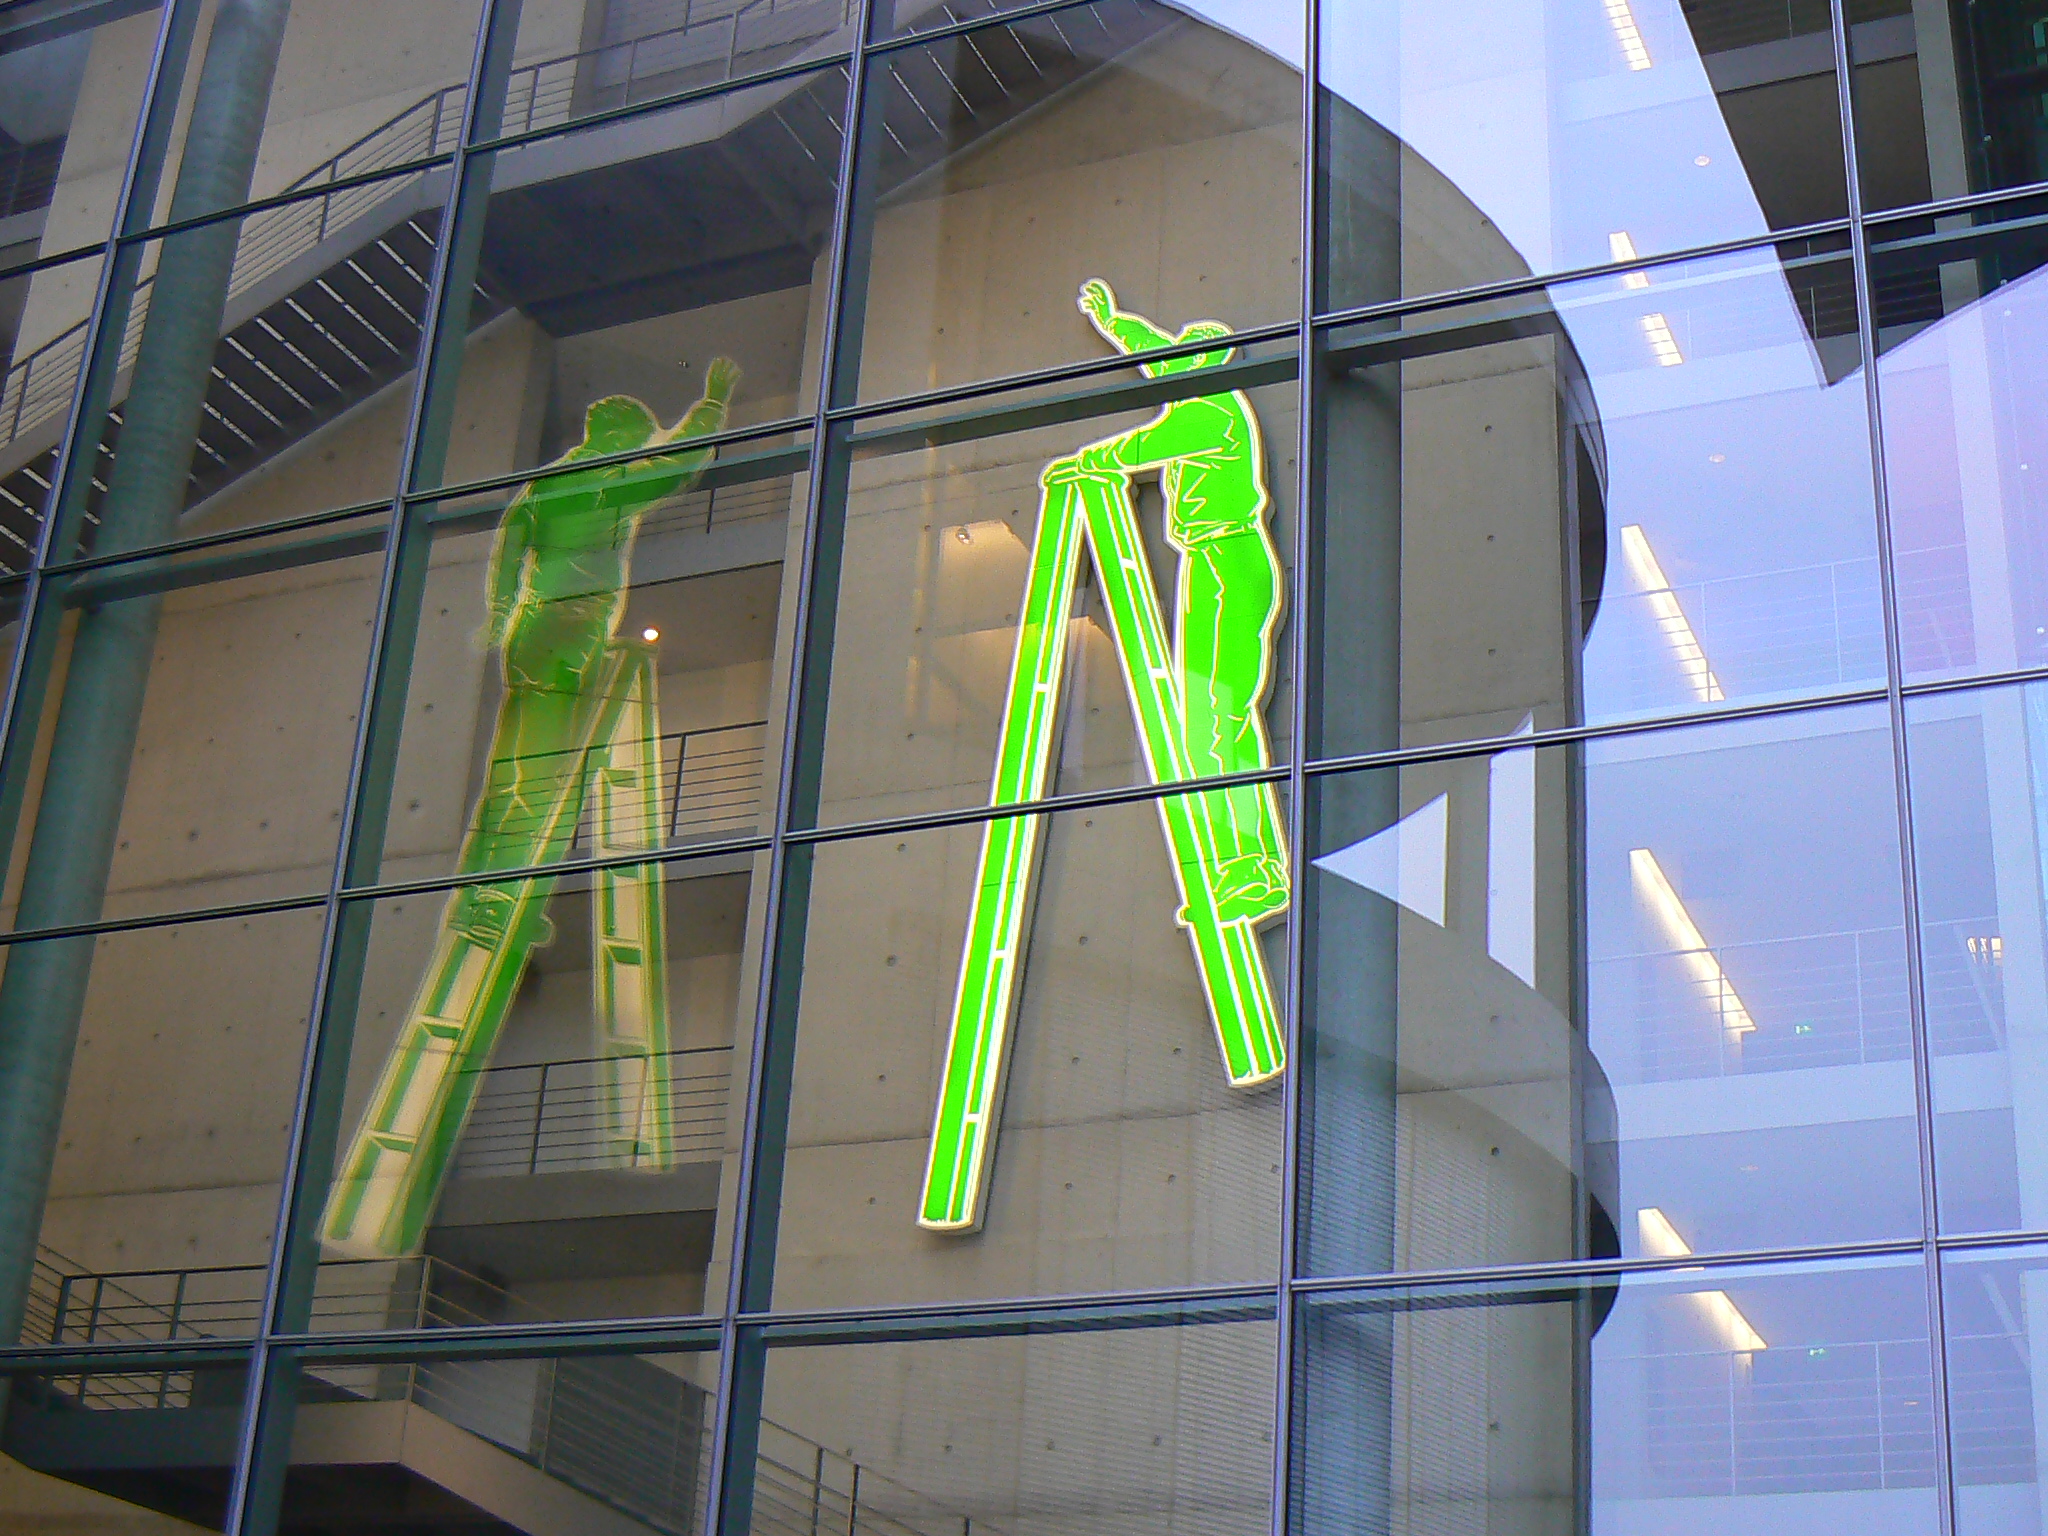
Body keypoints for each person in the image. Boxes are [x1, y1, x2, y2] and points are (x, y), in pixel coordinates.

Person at [452, 357, 740, 942]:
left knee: (510, 765)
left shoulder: (546, 483)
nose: (638, 450)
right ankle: (495, 902)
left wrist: (502, 614)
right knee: (542, 774)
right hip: (571, 632)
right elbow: (678, 460)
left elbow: (509, 548)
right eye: (635, 440)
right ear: (616, 437)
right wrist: (711, 404)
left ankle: (473, 894)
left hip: (531, 633)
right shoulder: (609, 481)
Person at [1052, 280, 1286, 924]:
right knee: (1197, 723)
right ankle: (1235, 863)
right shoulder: (1188, 383)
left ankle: (1254, 869)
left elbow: (1142, 448)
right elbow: (1150, 347)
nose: (1171, 359)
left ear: (1208, 362)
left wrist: (1085, 463)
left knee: (1219, 719)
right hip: (1206, 564)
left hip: (1230, 560)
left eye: (1186, 353)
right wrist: (1111, 320)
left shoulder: (1208, 410)